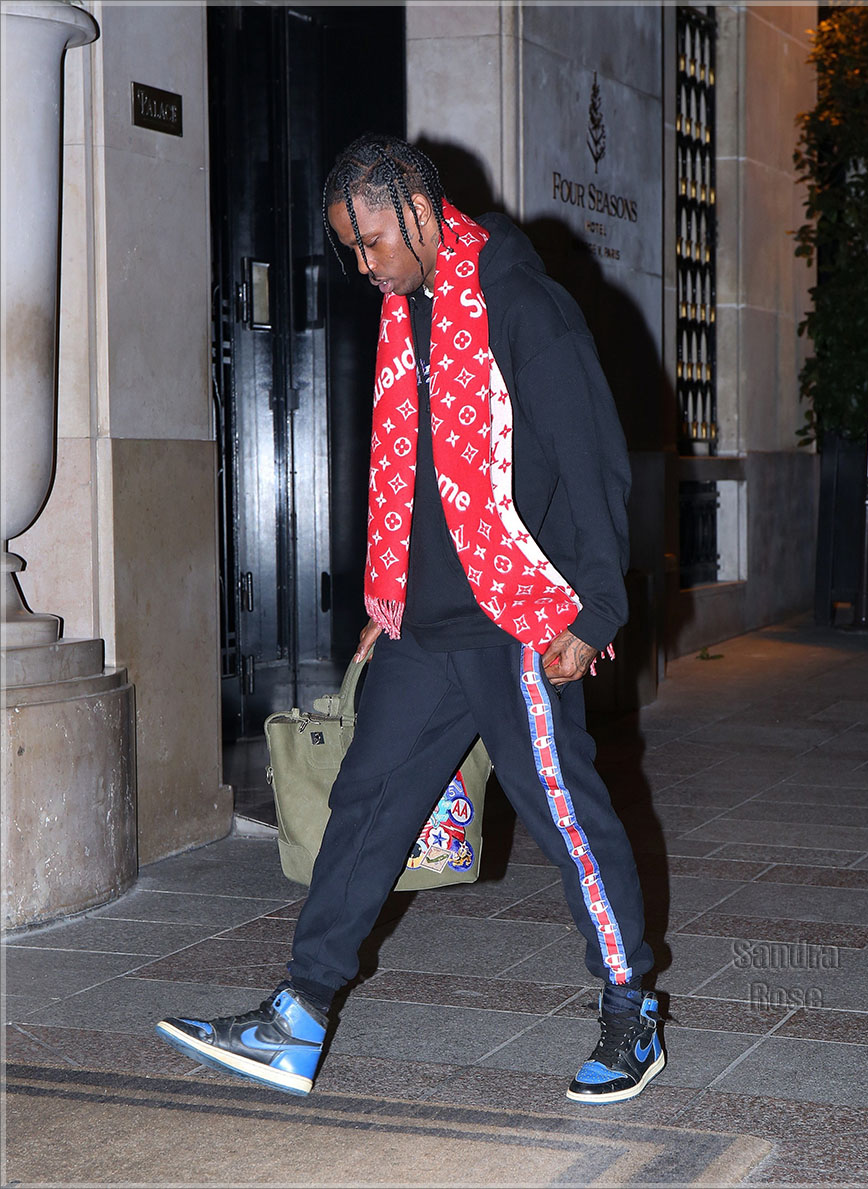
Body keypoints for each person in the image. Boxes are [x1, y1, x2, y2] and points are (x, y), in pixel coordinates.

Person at [156, 133, 664, 1105]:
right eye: (351, 246)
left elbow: (593, 456)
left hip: (517, 617)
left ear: (423, 213)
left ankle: (630, 1005)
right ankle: (298, 1017)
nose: (364, 264)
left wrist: (596, 609)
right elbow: (409, 474)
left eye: (372, 241)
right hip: (423, 629)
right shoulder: (413, 316)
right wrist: (383, 602)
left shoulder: (523, 305)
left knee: (567, 815)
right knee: (367, 805)